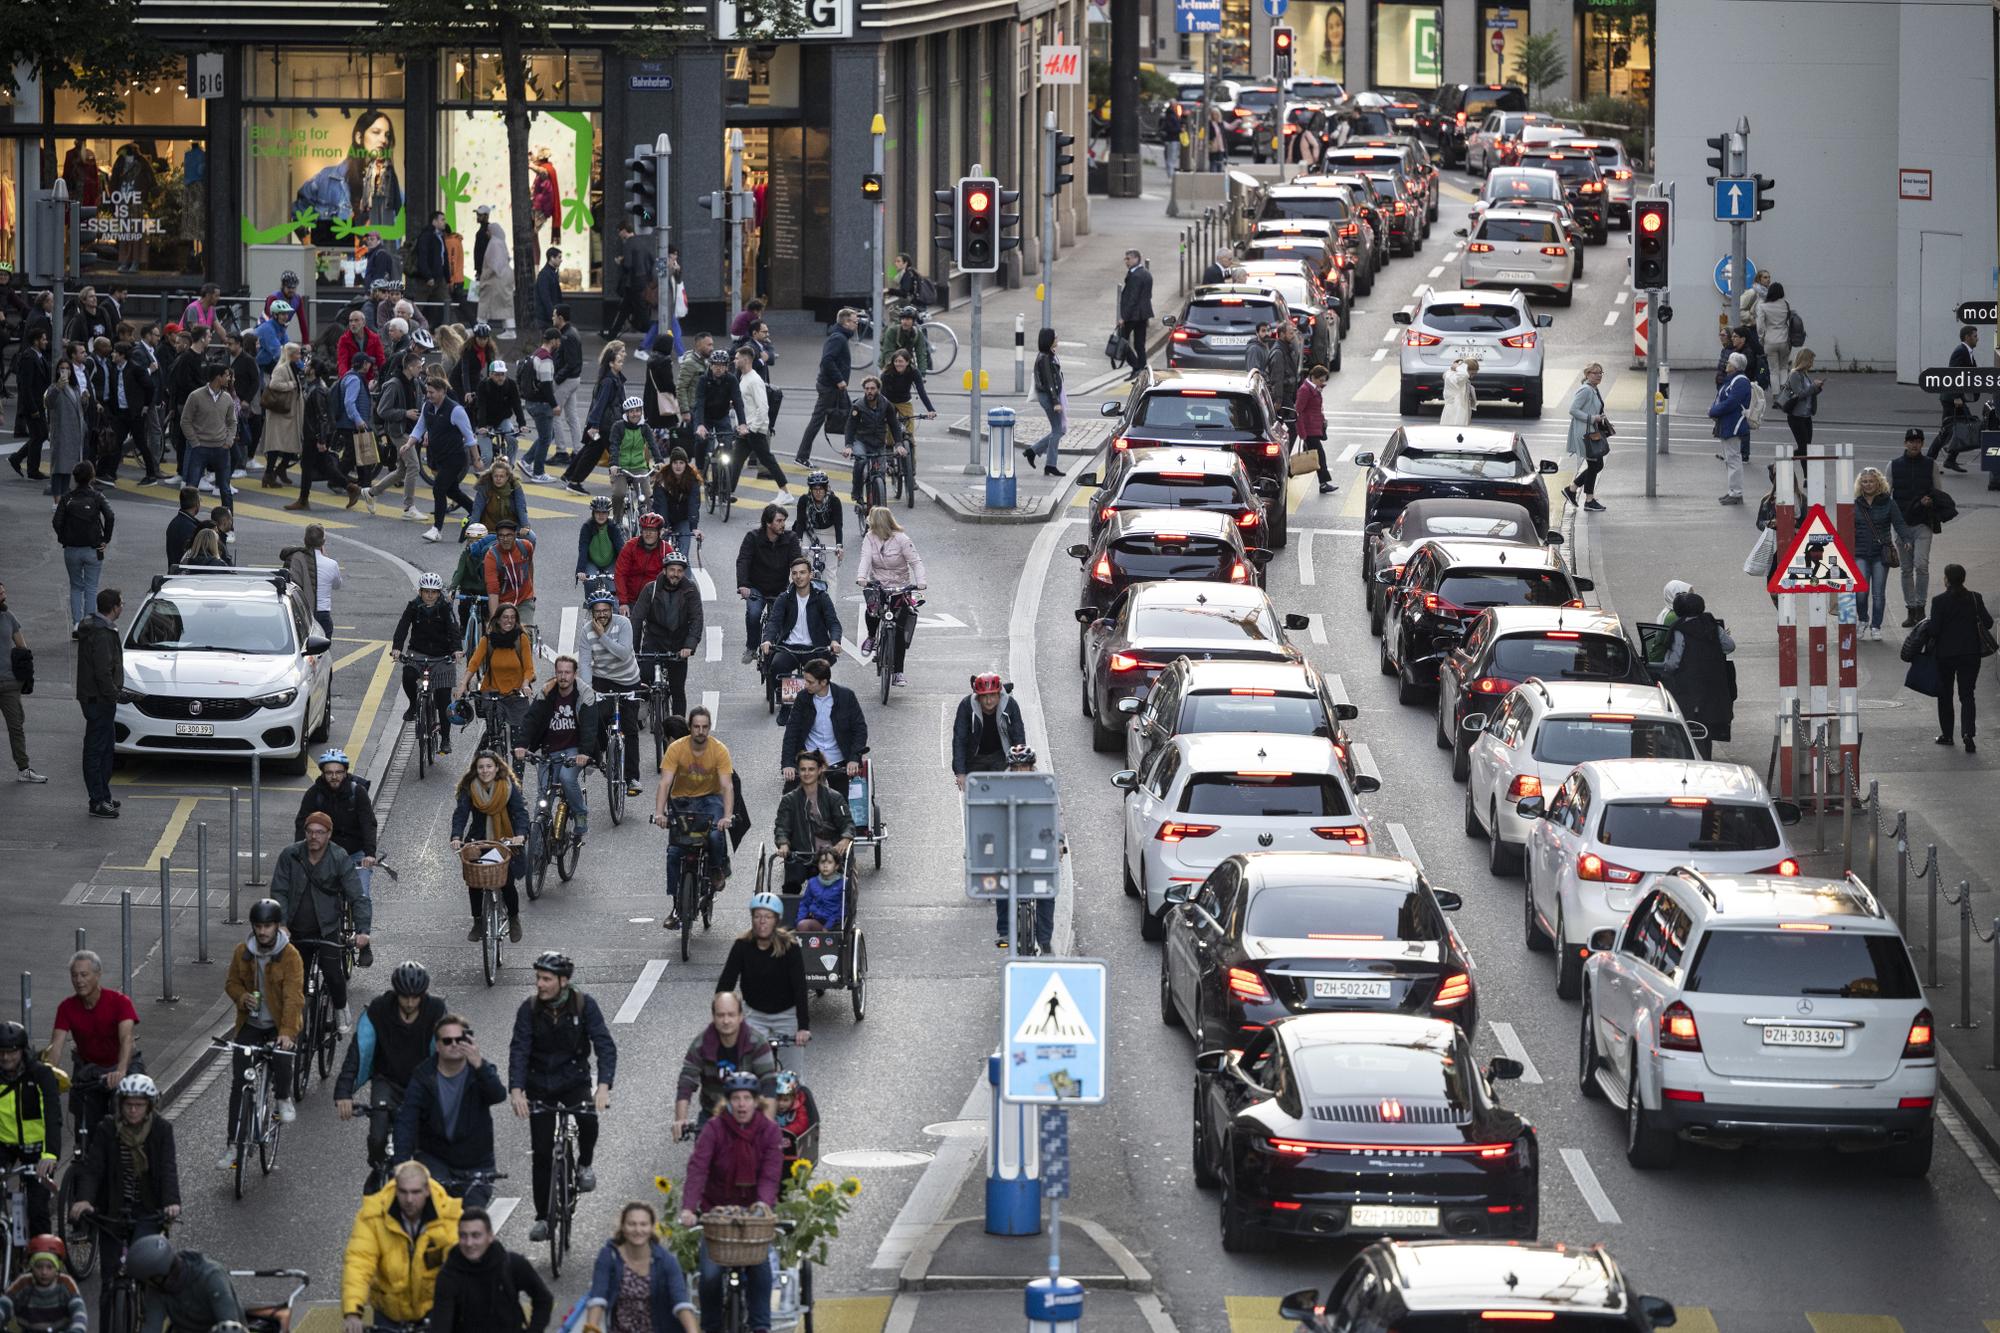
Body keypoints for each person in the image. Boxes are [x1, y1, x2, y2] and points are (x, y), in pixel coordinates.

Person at [507, 952, 616, 1242]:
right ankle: (543, 1217)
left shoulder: (584, 1005)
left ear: (563, 981)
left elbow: (604, 1045)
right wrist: (516, 1090)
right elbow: (519, 1049)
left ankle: (584, 1165)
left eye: (546, 979)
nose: (540, 984)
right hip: (539, 1084)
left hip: (573, 1080)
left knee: (588, 1119)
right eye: (538, 978)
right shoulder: (528, 1009)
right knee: (542, 1154)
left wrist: (603, 1086)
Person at [679, 1071, 784, 1333]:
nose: (741, 1104)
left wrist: (763, 1205)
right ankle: (712, 1327)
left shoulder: (769, 1131)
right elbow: (698, 1168)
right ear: (727, 1102)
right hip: (717, 1215)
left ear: (756, 1101)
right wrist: (690, 1208)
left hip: (753, 1216)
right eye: (735, 1098)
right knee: (711, 1276)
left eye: (747, 1098)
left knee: (760, 1270)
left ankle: (761, 1326)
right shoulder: (714, 1129)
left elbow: (770, 1174)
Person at [67, 1072, 180, 1304]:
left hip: (147, 1210)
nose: (133, 1110)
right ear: (120, 1105)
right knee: (110, 1276)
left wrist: (171, 1202)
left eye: (139, 1105)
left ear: (149, 1106)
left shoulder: (161, 1129)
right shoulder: (107, 1128)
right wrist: (85, 1199)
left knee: (146, 1266)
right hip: (113, 1211)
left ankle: (147, 1314)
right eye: (128, 1105)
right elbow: (93, 1168)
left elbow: (168, 1167)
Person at [335, 961, 447, 1181]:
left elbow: (451, 1053)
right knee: (377, 1137)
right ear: (396, 993)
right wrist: (343, 1093)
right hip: (387, 1082)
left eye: (416, 997)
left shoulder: (436, 1011)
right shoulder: (379, 1010)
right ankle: (378, 1174)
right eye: (404, 996)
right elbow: (357, 1052)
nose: (410, 1002)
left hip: (422, 1084)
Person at [270, 810, 372, 1035]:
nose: (314, 836)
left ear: (329, 835)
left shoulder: (339, 857)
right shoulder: (290, 855)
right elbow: (279, 891)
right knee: (295, 979)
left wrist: (363, 931)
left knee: (334, 974)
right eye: (310, 831)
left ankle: (340, 1007)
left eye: (320, 832)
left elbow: (357, 895)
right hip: (296, 929)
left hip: (326, 928)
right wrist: (282, 924)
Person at [392, 1011, 505, 1205]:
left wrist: (479, 1065)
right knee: (432, 1216)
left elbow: (498, 1095)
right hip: (436, 1160)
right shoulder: (423, 1077)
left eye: (459, 1039)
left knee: (470, 1223)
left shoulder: (479, 1071)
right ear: (437, 1046)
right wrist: (402, 1166)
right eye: (447, 1041)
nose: (454, 1044)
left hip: (476, 1163)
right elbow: (407, 1121)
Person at [340, 1160, 464, 1333]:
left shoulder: (448, 1216)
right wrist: (353, 1312)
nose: (409, 1200)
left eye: (415, 1192)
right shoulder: (373, 1216)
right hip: (389, 1313)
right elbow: (359, 1262)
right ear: (395, 1188)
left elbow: (461, 1263)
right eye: (403, 1192)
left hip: (432, 1310)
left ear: (427, 1190)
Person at [222, 899, 303, 1154]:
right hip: (252, 1024)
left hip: (278, 1025)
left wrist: (287, 1033)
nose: (263, 931)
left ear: (277, 926)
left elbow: (293, 997)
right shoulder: (241, 952)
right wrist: (241, 996)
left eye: (268, 926)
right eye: (258, 926)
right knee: (239, 1083)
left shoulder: (290, 956)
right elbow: (231, 983)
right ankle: (234, 1144)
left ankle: (282, 1097)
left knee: (281, 1057)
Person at [654, 706, 736, 924]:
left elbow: (727, 786)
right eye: (696, 727)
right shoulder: (676, 749)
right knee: (673, 853)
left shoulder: (719, 750)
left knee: (715, 835)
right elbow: (665, 783)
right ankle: (675, 907)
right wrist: (659, 812)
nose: (701, 731)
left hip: (711, 799)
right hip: (681, 801)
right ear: (689, 728)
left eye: (705, 727)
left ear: (709, 728)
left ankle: (716, 868)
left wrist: (727, 816)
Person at [49, 949, 140, 1137]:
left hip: (121, 1065)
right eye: (74, 975)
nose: (79, 980)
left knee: (133, 1105)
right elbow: (56, 1046)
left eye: (84, 975)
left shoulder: (120, 1002)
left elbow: (126, 1039)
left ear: (98, 975)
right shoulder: (66, 1007)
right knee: (84, 1118)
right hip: (89, 1069)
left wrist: (121, 1071)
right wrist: (49, 1074)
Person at [719, 897, 811, 1074]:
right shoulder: (742, 946)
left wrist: (803, 1027)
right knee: (747, 1075)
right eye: (758, 916)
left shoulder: (789, 946)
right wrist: (722, 1021)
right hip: (755, 1015)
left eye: (768, 917)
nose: (762, 922)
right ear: (752, 918)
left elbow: (800, 987)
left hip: (786, 1016)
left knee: (792, 1080)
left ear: (776, 920)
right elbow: (726, 984)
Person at [516, 655, 602, 842]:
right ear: (555, 673)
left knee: (565, 777)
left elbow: (589, 727)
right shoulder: (546, 692)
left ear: (574, 674)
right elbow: (531, 720)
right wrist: (522, 745)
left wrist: (584, 753)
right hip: (550, 750)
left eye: (567, 672)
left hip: (574, 749)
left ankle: (580, 813)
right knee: (543, 798)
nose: (563, 676)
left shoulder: (585, 694)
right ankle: (537, 849)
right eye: (560, 672)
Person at [430, 1205, 553, 1333]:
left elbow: (543, 1299)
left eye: (476, 1235)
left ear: (490, 1236)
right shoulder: (448, 1275)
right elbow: (440, 1324)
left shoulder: (512, 1264)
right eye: (463, 1236)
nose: (469, 1243)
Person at [585, 1201, 700, 1333]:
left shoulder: (667, 1261)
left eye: (643, 1224)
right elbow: (598, 1298)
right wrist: (591, 1329)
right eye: (631, 1224)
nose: (638, 1230)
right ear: (622, 1227)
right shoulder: (609, 1256)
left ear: (651, 1228)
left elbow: (681, 1302)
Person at [673, 993, 779, 1136]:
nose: (726, 1020)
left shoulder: (757, 1043)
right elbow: (687, 1081)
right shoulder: (701, 1045)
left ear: (740, 1016)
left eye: (731, 1015)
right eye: (721, 1015)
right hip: (712, 1114)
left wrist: (767, 1124)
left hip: (750, 1115)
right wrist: (680, 1119)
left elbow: (769, 1084)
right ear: (713, 1017)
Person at [451, 750, 528, 941]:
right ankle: (478, 921)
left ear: (497, 768)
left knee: (506, 882)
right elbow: (461, 814)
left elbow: (520, 812)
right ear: (475, 770)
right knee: (474, 883)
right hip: (478, 840)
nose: (485, 771)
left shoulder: (507, 787)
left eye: (488, 766)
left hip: (504, 841)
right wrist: (456, 836)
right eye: (481, 767)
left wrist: (520, 834)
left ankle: (514, 918)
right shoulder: (471, 788)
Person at [580, 591, 645, 794]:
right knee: (593, 715)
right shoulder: (585, 631)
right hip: (603, 679)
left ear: (612, 610)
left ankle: (632, 778)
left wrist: (602, 636)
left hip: (628, 680)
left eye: (606, 610)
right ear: (592, 613)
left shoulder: (623, 624)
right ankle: (597, 753)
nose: (602, 615)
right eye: (598, 611)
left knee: (630, 728)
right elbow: (584, 662)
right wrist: (588, 689)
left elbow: (624, 654)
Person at [0, 1023, 60, 1239]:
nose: (6, 1058)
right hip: (4, 1145)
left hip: (37, 1148)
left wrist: (50, 1155)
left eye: (12, 1052)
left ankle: (43, 1262)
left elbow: (53, 1117)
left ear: (23, 1051)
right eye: (1, 1052)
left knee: (37, 1210)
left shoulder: (41, 1075)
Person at [1925, 563, 1993, 753]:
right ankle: (1968, 734)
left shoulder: (1939, 601)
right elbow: (1987, 622)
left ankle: (1947, 735)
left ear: (1947, 579)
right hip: (1971, 654)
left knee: (1945, 695)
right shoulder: (1974, 598)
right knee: (1967, 695)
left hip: (1945, 655)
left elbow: (1934, 630)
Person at [1659, 591, 1735, 758]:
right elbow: (1729, 646)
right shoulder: (1713, 626)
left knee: (1688, 727)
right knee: (1706, 727)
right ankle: (1706, 756)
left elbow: (1673, 662)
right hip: (1713, 687)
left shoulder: (1680, 630)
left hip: (1689, 688)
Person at [633, 550, 703, 721]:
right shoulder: (651, 589)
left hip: (679, 645)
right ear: (664, 571)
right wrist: (633, 650)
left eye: (680, 571)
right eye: (672, 570)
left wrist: (689, 646)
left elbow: (696, 619)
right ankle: (644, 702)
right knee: (645, 675)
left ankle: (679, 731)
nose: (676, 574)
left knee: (678, 689)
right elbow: (636, 619)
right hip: (654, 641)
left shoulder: (691, 589)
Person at [855, 507, 925, 677]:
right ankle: (871, 637)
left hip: (900, 585)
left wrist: (921, 582)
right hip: (879, 583)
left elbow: (915, 562)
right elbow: (865, 558)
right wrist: (861, 577)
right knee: (872, 609)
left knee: (899, 630)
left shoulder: (902, 539)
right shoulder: (869, 538)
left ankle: (898, 672)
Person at [126, 1235, 245, 1333]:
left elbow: (230, 1324)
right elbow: (152, 1326)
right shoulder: (157, 1289)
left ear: (157, 1277)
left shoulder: (211, 1276)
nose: (147, 1284)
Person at [411, 375, 482, 543]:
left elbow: (470, 437)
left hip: (455, 458)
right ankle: (477, 512)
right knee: (452, 491)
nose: (428, 395)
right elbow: (420, 426)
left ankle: (437, 529)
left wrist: (477, 459)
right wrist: (408, 443)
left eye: (432, 392)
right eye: (427, 392)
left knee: (439, 489)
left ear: (442, 391)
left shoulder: (456, 410)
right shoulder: (427, 406)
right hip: (437, 457)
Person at [74, 587, 124, 820]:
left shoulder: (95, 627)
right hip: (100, 699)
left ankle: (103, 795)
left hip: (96, 698)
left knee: (105, 748)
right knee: (97, 750)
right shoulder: (102, 633)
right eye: (121, 603)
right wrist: (113, 693)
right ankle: (97, 800)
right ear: (114, 607)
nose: (122, 607)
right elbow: (103, 670)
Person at [457, 602, 538, 744]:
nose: (509, 621)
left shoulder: (521, 639)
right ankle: (485, 755)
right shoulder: (487, 640)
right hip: (493, 693)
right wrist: (464, 683)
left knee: (519, 742)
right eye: (505, 617)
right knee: (492, 735)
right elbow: (474, 663)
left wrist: (525, 685)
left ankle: (516, 765)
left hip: (516, 694)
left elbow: (529, 668)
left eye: (513, 617)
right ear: (498, 620)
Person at [761, 557, 844, 694]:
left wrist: (835, 640)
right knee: (776, 668)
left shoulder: (821, 597)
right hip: (788, 648)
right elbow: (774, 622)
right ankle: (783, 701)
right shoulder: (784, 598)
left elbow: (833, 622)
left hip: (814, 648)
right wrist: (768, 640)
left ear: (810, 575)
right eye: (795, 573)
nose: (798, 577)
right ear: (791, 576)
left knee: (820, 681)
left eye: (802, 572)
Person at [736, 504, 804, 664]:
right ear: (768, 523)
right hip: (756, 588)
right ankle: (751, 647)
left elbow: (796, 562)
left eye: (784, 521)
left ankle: (783, 650)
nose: (783, 524)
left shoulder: (791, 538)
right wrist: (743, 584)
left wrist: (802, 580)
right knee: (753, 615)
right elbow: (743, 561)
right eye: (779, 521)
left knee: (783, 620)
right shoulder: (752, 538)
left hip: (780, 588)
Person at [50, 463, 113, 633]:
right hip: (93, 548)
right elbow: (110, 515)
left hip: (71, 549)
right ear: (92, 477)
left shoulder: (67, 498)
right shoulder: (97, 497)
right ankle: (89, 624)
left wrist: (64, 538)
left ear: (75, 478)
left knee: (76, 586)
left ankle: (77, 624)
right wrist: (105, 538)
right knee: (91, 588)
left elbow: (56, 521)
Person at [1891, 428, 1942, 627]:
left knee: (1921, 565)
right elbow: (1887, 495)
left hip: (1923, 524)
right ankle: (1910, 609)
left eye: (1918, 441)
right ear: (1905, 443)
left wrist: (1932, 501)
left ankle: (1920, 607)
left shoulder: (1931, 465)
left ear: (1922, 444)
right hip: (1902, 526)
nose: (1914, 444)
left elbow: (1939, 493)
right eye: (1911, 441)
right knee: (1906, 569)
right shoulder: (1894, 465)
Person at [794, 308, 858, 465]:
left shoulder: (841, 337)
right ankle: (802, 456)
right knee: (818, 421)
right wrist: (839, 380)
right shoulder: (838, 338)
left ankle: (857, 452)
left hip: (835, 387)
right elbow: (827, 361)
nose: (857, 325)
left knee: (853, 416)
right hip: (831, 387)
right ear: (846, 322)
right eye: (855, 322)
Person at [1851, 467, 1908, 642]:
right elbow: (1846, 527)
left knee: (1878, 593)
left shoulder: (1888, 503)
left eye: (1871, 481)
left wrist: (1906, 539)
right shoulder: (1855, 503)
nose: (1868, 484)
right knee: (1860, 592)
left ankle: (1876, 626)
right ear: (1860, 484)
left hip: (1880, 553)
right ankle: (1863, 620)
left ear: (1879, 482)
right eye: (1865, 481)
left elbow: (1899, 523)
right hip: (1859, 552)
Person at [0, 580, 45, 784]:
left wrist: (25, 676)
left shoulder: (9, 617)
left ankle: (23, 768)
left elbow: (22, 647)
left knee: (16, 726)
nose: (3, 596)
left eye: (3, 592)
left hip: (8, 682)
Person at [951, 672, 1025, 790]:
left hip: (1001, 756)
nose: (989, 701)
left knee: (1004, 794)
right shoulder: (966, 706)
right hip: (975, 758)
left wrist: (1020, 765)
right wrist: (960, 772)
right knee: (976, 798)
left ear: (999, 695)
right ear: (978, 696)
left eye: (992, 696)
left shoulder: (1010, 705)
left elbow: (1018, 736)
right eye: (984, 696)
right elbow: (960, 740)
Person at [0, 1235, 86, 1333]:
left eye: (49, 1267)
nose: (44, 1272)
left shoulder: (65, 1284)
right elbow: (5, 1303)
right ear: (31, 1266)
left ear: (58, 1267)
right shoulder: (23, 1283)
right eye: (39, 1267)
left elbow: (79, 1311)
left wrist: (77, 1329)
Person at [842, 375, 904, 510]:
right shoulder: (857, 406)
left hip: (878, 443)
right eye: (867, 388)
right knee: (861, 461)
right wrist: (848, 446)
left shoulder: (886, 405)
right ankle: (857, 492)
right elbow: (850, 427)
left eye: (873, 388)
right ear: (864, 390)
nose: (869, 391)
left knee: (880, 475)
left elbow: (894, 425)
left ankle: (881, 503)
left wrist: (898, 444)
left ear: (878, 390)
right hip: (861, 442)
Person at [730, 343, 784, 495]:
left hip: (753, 430)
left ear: (745, 360)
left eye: (737, 358)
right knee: (736, 462)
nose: (734, 361)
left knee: (768, 461)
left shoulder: (754, 380)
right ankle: (727, 493)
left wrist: (753, 428)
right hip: (746, 429)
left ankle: (785, 492)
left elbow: (763, 407)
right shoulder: (743, 377)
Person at [1561, 362, 1610, 513]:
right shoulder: (1586, 390)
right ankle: (1588, 500)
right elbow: (1573, 410)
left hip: (1592, 432)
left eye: (1601, 373)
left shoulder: (1594, 389)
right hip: (1585, 434)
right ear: (1587, 374)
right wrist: (1592, 418)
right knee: (1595, 465)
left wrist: (1600, 418)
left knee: (1596, 465)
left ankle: (1572, 489)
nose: (1598, 375)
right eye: (1595, 373)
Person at [1932, 324, 1981, 467]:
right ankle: (1931, 459)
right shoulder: (1961, 351)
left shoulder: (1967, 352)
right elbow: (1954, 374)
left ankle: (1950, 459)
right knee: (1949, 429)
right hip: (1952, 398)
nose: (1977, 339)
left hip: (1956, 398)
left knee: (1963, 426)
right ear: (1967, 337)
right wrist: (1956, 397)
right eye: (1975, 336)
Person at [1708, 351, 1753, 505]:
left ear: (1735, 366)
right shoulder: (1734, 380)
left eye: (1730, 363)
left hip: (1733, 423)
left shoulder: (1740, 381)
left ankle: (1736, 493)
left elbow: (1731, 402)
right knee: (1730, 459)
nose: (1727, 364)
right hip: (1729, 423)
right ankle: (1732, 491)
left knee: (1733, 458)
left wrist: (1714, 411)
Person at [483, 517, 539, 636]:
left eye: (509, 535)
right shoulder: (491, 557)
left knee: (526, 635)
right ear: (497, 537)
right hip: (503, 603)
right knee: (503, 637)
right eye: (501, 536)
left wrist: (531, 590)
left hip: (524, 600)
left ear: (515, 535)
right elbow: (493, 591)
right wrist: (494, 620)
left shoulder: (526, 546)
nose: (505, 539)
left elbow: (530, 565)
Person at [648, 450, 703, 566]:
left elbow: (693, 504)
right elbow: (661, 505)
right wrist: (663, 526)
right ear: (671, 464)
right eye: (675, 463)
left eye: (681, 463)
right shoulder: (661, 480)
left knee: (683, 555)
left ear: (686, 464)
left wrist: (694, 527)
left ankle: (683, 578)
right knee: (659, 552)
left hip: (682, 518)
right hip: (664, 517)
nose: (678, 466)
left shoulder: (693, 480)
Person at [1024, 328, 1065, 475]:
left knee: (1059, 430)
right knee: (1058, 431)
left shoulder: (1047, 355)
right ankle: (1050, 465)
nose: (1057, 337)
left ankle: (1032, 451)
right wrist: (1056, 402)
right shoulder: (1045, 358)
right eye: (1055, 336)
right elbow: (1048, 382)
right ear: (1049, 340)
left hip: (1049, 397)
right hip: (1049, 398)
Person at [617, 511, 672, 610]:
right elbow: (620, 574)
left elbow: (673, 578)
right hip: (630, 600)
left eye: (653, 530)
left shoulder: (666, 550)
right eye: (645, 529)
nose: (648, 533)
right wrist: (623, 602)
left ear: (659, 532)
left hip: (655, 601)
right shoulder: (630, 546)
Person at [1776, 347, 1825, 459]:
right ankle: (1781, 461)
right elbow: (1800, 394)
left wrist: (1818, 388)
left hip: (1806, 416)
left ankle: (1807, 476)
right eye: (1811, 360)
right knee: (1803, 449)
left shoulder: (1804, 374)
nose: (1812, 363)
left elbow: (1808, 394)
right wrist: (1813, 386)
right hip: (1796, 416)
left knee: (1806, 449)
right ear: (1805, 360)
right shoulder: (1795, 374)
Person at [1294, 364, 1335, 494]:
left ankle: (1283, 476)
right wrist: (1302, 433)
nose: (1322, 383)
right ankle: (1323, 484)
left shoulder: (1313, 389)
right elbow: (1298, 412)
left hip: (1313, 429)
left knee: (1314, 457)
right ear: (1313, 377)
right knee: (1319, 456)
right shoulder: (1305, 390)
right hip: (1308, 430)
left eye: (1323, 381)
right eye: (1320, 380)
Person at [1116, 250, 1153, 380]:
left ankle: (1137, 366)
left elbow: (1132, 298)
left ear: (1136, 259)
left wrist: (1123, 317)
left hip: (1133, 315)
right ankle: (1142, 369)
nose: (1126, 261)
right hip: (1143, 315)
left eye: (1128, 259)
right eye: (1125, 259)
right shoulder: (1146, 274)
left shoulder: (1136, 276)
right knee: (1139, 343)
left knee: (1122, 341)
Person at [578, 494, 628, 588]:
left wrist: (627, 567)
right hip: (592, 561)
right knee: (590, 583)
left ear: (608, 513)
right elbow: (583, 549)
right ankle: (589, 602)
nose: (601, 515)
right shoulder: (587, 527)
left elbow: (621, 548)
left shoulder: (613, 527)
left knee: (615, 585)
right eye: (598, 512)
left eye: (604, 513)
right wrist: (580, 570)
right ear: (593, 513)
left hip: (610, 562)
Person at [793, 846, 848, 932]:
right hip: (817, 920)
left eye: (829, 862)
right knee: (802, 925)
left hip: (835, 923)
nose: (825, 866)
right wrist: (799, 921)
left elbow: (843, 909)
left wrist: (829, 926)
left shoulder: (842, 884)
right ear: (818, 864)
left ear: (836, 866)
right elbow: (805, 903)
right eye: (822, 862)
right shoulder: (813, 882)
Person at [793, 471, 844, 557]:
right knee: (801, 556)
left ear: (826, 489)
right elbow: (800, 523)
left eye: (821, 489)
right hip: (809, 531)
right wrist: (799, 540)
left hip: (828, 532)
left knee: (830, 565)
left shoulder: (834, 501)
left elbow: (838, 525)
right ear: (811, 490)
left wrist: (839, 545)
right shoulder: (804, 500)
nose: (818, 492)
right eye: (815, 489)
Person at [1753, 280, 1792, 382]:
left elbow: (1760, 326)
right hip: (1784, 340)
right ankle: (1784, 394)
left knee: (1773, 371)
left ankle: (1776, 395)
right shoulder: (1786, 304)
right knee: (1783, 368)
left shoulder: (1763, 306)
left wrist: (1761, 339)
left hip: (1769, 341)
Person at [1438, 355, 1476, 426]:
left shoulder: (1451, 374)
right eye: (1472, 373)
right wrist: (1458, 367)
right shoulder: (1456, 378)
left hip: (1454, 407)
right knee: (1456, 429)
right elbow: (1464, 375)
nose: (1472, 376)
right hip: (1457, 409)